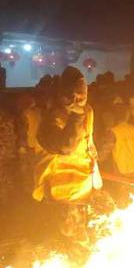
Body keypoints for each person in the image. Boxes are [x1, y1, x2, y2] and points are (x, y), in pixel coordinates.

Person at [34, 67, 100, 240]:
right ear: (64, 94)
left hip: (83, 188)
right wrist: (76, 117)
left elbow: (88, 142)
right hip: (60, 190)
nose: (79, 99)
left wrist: (95, 172)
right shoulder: (52, 116)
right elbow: (65, 147)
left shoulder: (88, 111)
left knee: (80, 232)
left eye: (82, 95)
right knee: (64, 234)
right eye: (74, 95)